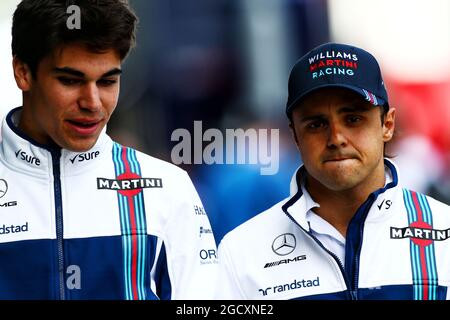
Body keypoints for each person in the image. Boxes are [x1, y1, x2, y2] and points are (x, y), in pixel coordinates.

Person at [0, 0, 217, 299]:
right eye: (70, 80)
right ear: (23, 72)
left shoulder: (168, 187)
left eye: (107, 81)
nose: (92, 102)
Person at [216, 42, 450, 300]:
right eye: (316, 124)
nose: (336, 137)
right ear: (295, 135)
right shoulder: (241, 252)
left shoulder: (444, 231)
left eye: (353, 119)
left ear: (387, 124)